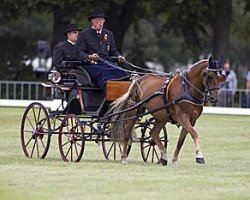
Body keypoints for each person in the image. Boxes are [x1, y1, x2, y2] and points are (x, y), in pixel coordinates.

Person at [76, 8, 129, 88]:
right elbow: (79, 53)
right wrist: (89, 57)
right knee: (104, 73)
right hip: (91, 64)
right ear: (92, 21)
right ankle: (107, 96)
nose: (100, 22)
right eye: (97, 20)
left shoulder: (109, 34)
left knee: (123, 72)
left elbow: (113, 50)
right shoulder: (84, 35)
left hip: (106, 62)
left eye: (102, 20)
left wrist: (119, 57)